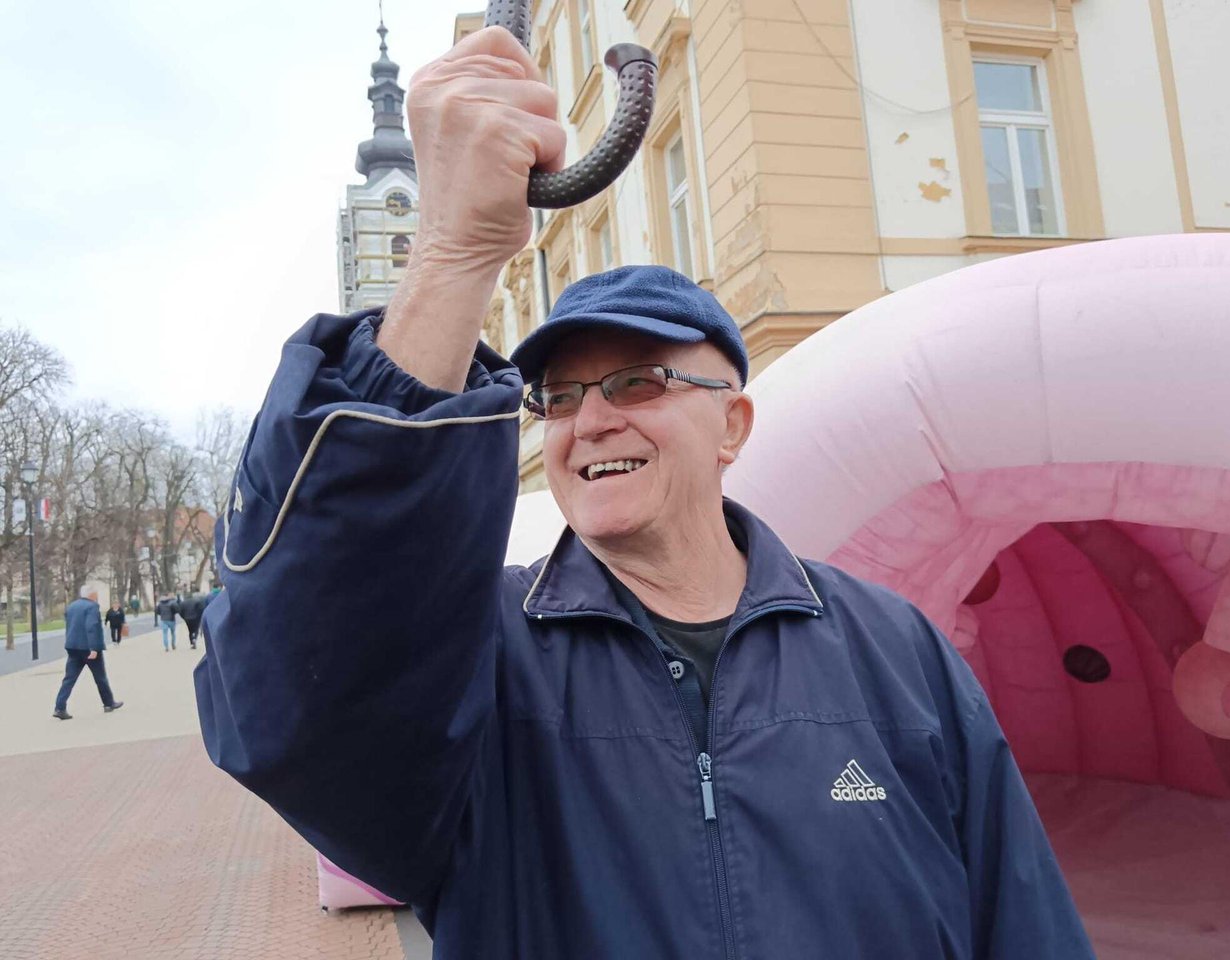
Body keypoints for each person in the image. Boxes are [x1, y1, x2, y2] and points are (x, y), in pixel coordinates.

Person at [195, 27, 1093, 960]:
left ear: (733, 427)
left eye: (638, 383)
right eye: (561, 396)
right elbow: (290, 702)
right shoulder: (479, 658)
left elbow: (1019, 914)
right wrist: (457, 250)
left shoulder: (892, 646)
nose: (589, 422)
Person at [53, 587, 123, 720]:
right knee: (100, 677)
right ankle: (108, 703)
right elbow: (92, 627)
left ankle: (59, 707)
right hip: (88, 648)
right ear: (92, 595)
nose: (97, 597)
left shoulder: (71, 607)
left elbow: (70, 626)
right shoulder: (92, 607)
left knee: (69, 679)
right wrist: (94, 648)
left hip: (73, 647)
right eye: (96, 595)